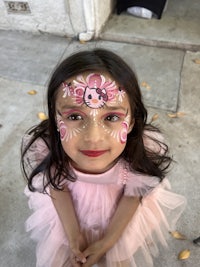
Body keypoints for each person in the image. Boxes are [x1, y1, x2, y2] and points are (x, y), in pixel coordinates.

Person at [21, 49, 186, 267]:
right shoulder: (50, 148)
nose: (93, 138)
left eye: (111, 117)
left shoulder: (140, 151)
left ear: (133, 121)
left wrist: (109, 241)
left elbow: (133, 195)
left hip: (118, 218)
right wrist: (73, 236)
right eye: (74, 116)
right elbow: (56, 185)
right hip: (70, 215)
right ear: (55, 117)